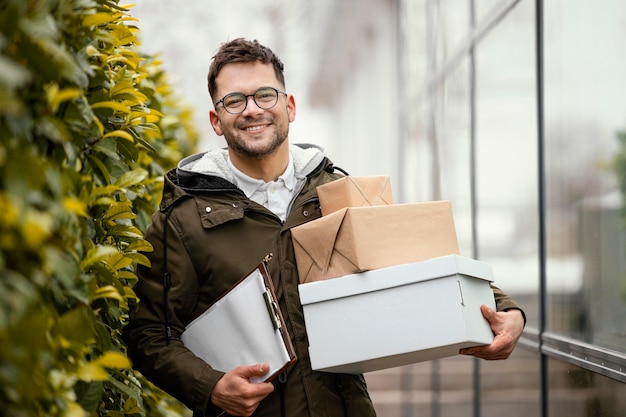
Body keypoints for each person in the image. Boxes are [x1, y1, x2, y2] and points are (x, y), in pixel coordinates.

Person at [123, 38, 526, 417]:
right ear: (216, 119)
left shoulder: (336, 190)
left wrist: (507, 310)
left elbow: (411, 259)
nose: (252, 109)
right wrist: (211, 387)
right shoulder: (182, 219)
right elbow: (148, 336)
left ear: (290, 106)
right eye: (234, 100)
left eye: (265, 95)